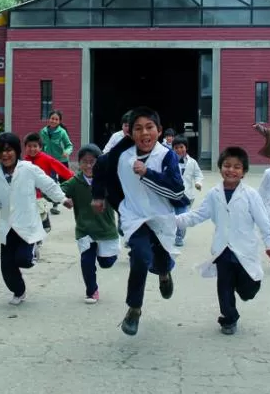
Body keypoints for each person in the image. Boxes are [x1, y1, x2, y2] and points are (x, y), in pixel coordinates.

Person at [92, 106, 188, 336]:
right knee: (141, 258)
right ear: (130, 133)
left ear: (159, 130)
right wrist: (99, 195)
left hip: (162, 218)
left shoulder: (167, 156)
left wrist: (147, 174)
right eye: (138, 129)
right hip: (135, 217)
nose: (144, 133)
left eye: (149, 128)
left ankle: (164, 274)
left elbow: (176, 192)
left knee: (162, 260)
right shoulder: (122, 155)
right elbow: (100, 167)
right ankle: (134, 309)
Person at [176, 146, 270, 335]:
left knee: (248, 290)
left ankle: (246, 288)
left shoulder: (251, 195)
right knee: (224, 287)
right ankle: (229, 319)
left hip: (245, 250)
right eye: (227, 165)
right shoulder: (214, 194)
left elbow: (263, 222)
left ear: (244, 172)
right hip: (223, 251)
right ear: (220, 167)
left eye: (237, 167)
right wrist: (173, 222)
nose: (231, 170)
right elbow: (198, 215)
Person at [0, 132, 67, 305]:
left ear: (16, 151)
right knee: (7, 267)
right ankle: (19, 291)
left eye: (9, 150)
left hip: (27, 223)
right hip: (8, 227)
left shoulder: (28, 169)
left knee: (23, 260)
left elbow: (48, 184)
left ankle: (34, 248)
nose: (5, 155)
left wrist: (63, 199)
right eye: (1, 151)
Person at [61, 144, 119, 304]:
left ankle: (107, 256)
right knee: (87, 261)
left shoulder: (107, 181)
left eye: (92, 162)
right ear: (79, 163)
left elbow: (122, 197)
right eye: (84, 162)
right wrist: (63, 199)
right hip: (84, 230)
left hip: (106, 229)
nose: (88, 165)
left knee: (106, 263)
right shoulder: (75, 182)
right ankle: (91, 291)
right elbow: (56, 191)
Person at [23, 133, 74, 247]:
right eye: (29, 146)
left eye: (35, 146)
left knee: (40, 213)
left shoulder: (46, 158)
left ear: (40, 147)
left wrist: (74, 178)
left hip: (43, 192)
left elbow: (61, 168)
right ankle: (35, 237)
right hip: (28, 194)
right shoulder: (23, 162)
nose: (32, 149)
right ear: (25, 147)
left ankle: (44, 223)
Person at [171, 136, 204, 247]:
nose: (179, 150)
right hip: (172, 195)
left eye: (181, 147)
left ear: (186, 148)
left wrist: (198, 183)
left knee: (183, 217)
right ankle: (170, 234)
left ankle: (179, 236)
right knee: (171, 216)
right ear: (173, 149)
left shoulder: (192, 162)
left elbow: (198, 174)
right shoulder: (169, 161)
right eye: (176, 147)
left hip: (187, 196)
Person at [39, 110, 74, 215]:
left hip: (61, 161)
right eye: (52, 118)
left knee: (64, 183)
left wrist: (66, 152)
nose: (53, 121)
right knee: (51, 182)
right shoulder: (43, 131)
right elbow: (40, 145)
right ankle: (55, 204)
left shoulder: (62, 132)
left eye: (56, 119)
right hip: (49, 161)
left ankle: (67, 198)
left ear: (59, 121)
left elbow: (69, 145)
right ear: (48, 119)